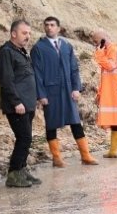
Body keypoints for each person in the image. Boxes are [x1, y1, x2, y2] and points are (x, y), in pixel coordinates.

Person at [31, 15, 97, 166]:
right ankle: (56, 158)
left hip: (68, 91)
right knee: (51, 124)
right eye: (46, 25)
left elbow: (74, 69)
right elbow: (37, 73)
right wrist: (41, 95)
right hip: (50, 92)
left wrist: (76, 88)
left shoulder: (67, 46)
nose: (49, 27)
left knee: (75, 122)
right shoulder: (38, 48)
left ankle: (85, 156)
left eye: (52, 25)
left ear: (58, 28)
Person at [0, 19, 42, 188]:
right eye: (24, 33)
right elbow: (6, 80)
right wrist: (16, 102)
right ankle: (14, 174)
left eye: (29, 33)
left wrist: (34, 99)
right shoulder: (6, 52)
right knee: (24, 138)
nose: (27, 36)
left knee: (27, 139)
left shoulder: (21, 52)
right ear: (13, 33)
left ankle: (21, 171)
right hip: (17, 106)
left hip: (27, 104)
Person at [92, 29, 117, 159]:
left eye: (97, 41)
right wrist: (100, 93)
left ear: (105, 38)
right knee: (115, 121)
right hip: (111, 92)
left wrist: (99, 54)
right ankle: (114, 150)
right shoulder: (106, 51)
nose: (96, 44)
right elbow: (105, 77)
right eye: (95, 42)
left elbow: (111, 66)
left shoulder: (114, 49)